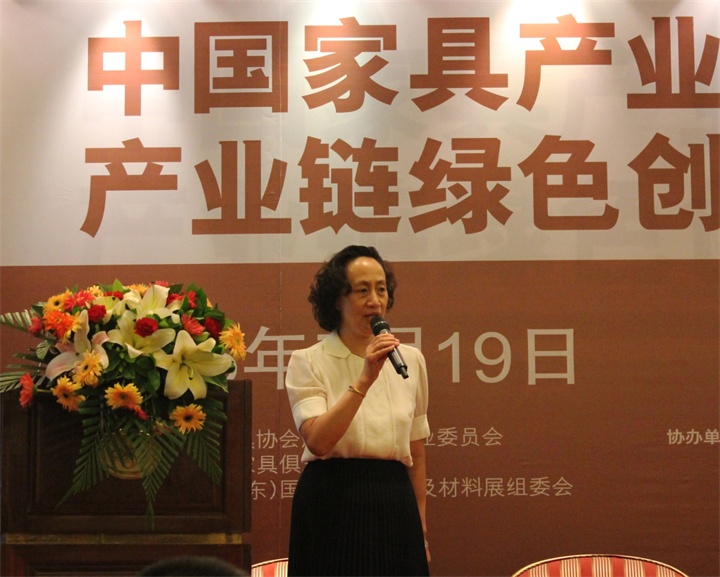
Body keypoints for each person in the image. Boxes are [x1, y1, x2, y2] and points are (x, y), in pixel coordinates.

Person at [285, 245, 430, 576]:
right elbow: (318, 441)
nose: (375, 301)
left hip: (395, 500)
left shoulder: (411, 360)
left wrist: (420, 525)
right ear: (337, 299)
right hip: (331, 501)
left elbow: (417, 449)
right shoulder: (308, 361)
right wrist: (365, 379)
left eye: (381, 289)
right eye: (362, 291)